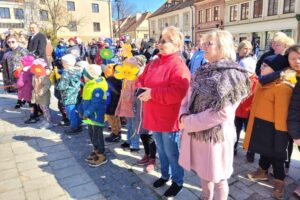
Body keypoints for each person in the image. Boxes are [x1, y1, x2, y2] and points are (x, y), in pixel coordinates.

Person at [178, 30, 250, 200]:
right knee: (203, 172)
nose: (203, 46)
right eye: (204, 43)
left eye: (208, 43)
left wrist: (189, 121)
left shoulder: (234, 74)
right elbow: (187, 97)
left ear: (222, 47)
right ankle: (205, 196)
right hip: (196, 133)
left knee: (218, 178)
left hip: (215, 138)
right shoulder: (202, 70)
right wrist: (182, 115)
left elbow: (223, 113)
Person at [136, 26, 191, 197]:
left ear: (176, 45)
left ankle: (177, 181)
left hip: (169, 118)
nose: (159, 44)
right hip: (154, 115)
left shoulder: (178, 66)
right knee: (161, 150)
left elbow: (178, 92)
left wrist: (152, 93)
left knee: (172, 153)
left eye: (164, 41)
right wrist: (140, 90)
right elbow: (140, 79)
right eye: (160, 40)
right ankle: (165, 175)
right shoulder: (153, 62)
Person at [244, 54, 294, 199]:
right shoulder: (263, 82)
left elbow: (282, 115)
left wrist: (281, 137)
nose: (261, 67)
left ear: (276, 69)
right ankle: (262, 171)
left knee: (277, 155)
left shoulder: (282, 88)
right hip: (262, 124)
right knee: (263, 150)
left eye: (265, 66)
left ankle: (279, 181)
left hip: (276, 128)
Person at [78, 64, 108, 167]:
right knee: (91, 134)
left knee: (97, 136)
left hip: (96, 116)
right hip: (89, 116)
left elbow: (95, 104)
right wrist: (81, 110)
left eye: (85, 75)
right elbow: (84, 100)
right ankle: (95, 150)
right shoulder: (89, 84)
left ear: (90, 75)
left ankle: (101, 155)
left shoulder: (97, 88)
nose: (83, 77)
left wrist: (86, 112)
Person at [234, 40, 257, 162]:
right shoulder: (238, 77)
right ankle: (233, 148)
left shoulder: (256, 81)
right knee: (235, 130)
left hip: (249, 110)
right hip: (238, 109)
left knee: (250, 132)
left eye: (248, 48)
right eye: (244, 48)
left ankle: (250, 152)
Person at [56, 54, 82, 134]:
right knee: (76, 111)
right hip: (77, 94)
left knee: (71, 113)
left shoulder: (66, 73)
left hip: (68, 96)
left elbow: (62, 86)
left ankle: (74, 127)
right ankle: (79, 125)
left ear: (65, 64)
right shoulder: (78, 70)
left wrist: (57, 84)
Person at [287, 45, 300, 198]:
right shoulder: (290, 74)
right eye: (292, 59)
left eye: (299, 57)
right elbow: (295, 107)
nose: (297, 61)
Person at [31, 58, 53, 129]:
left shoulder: (44, 77)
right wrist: (34, 95)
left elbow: (47, 85)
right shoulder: (35, 76)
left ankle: (49, 122)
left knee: (46, 109)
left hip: (44, 96)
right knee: (42, 108)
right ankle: (45, 120)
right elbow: (34, 86)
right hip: (38, 96)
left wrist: (41, 91)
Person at [104, 64, 123, 143]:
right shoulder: (119, 80)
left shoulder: (109, 81)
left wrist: (105, 104)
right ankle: (118, 132)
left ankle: (115, 135)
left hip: (110, 104)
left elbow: (107, 95)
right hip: (117, 103)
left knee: (112, 120)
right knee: (116, 119)